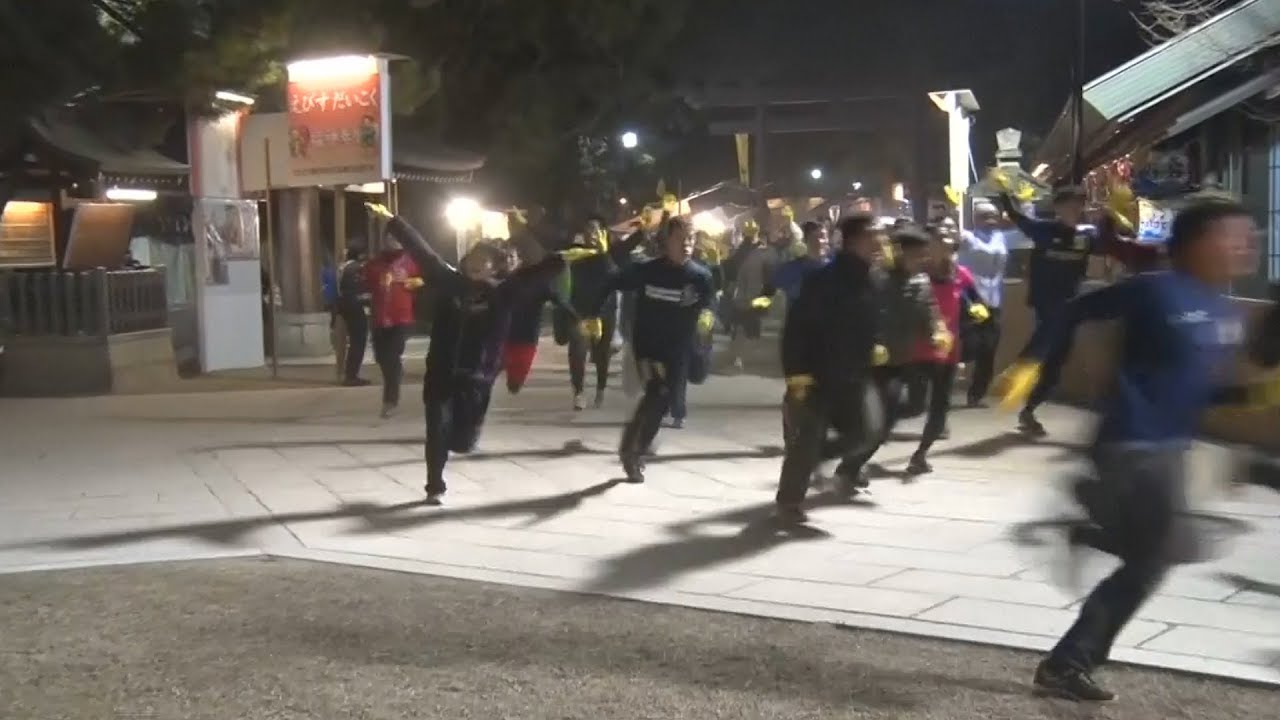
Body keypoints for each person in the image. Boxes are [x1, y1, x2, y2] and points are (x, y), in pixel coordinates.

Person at [999, 196, 1279, 702]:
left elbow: (1195, 390)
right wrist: (1031, 362)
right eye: (1234, 236)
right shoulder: (1153, 290)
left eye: (1250, 237)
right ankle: (1068, 661)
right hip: (1131, 442)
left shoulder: (1225, 312)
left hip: (1171, 448)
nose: (1247, 245)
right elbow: (1072, 311)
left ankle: (1094, 525)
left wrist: (1252, 395)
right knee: (1155, 557)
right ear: (1195, 243)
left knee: (1166, 550)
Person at [367, 203, 568, 504]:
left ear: (495, 267)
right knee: (437, 429)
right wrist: (394, 221)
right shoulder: (448, 282)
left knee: (461, 441)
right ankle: (434, 485)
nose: (477, 263)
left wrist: (527, 234)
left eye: (484, 260)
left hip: (476, 380)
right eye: (473, 257)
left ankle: (463, 439)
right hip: (441, 373)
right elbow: (422, 251)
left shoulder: (505, 293)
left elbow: (547, 267)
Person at [997, 183, 1160, 436]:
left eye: (1079, 205)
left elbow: (1112, 244)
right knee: (1052, 326)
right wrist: (1003, 192)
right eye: (1070, 205)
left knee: (1056, 363)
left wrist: (1113, 218)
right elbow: (1018, 217)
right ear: (1058, 208)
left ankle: (1029, 409)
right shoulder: (1044, 230)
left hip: (1071, 305)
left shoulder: (1086, 237)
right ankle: (1020, 366)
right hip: (1047, 302)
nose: (1075, 209)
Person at [774, 213, 886, 523]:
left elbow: (873, 320)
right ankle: (789, 502)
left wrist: (877, 344)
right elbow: (796, 328)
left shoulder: (873, 280)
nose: (880, 242)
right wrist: (796, 373)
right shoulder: (823, 280)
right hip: (817, 374)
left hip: (854, 375)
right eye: (873, 235)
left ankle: (816, 457)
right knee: (807, 438)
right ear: (852, 241)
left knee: (865, 432)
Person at [588, 216, 715, 482]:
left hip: (678, 349)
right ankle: (632, 452)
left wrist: (706, 316)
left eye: (690, 239)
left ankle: (638, 447)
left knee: (665, 402)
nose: (686, 244)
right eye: (680, 239)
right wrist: (594, 316)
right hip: (649, 347)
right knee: (657, 392)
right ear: (666, 241)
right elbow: (610, 281)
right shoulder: (647, 271)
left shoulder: (700, 276)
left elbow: (709, 302)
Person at [832, 226, 950, 491]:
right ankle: (848, 468)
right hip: (870, 364)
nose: (922, 260)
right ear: (899, 252)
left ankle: (850, 459)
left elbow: (930, 316)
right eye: (916, 255)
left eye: (923, 254)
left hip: (901, 361)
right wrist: (869, 341)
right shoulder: (876, 279)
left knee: (906, 411)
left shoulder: (921, 283)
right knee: (879, 425)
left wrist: (937, 334)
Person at [906, 229, 986, 475]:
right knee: (914, 405)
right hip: (918, 350)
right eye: (940, 240)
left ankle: (920, 455)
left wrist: (977, 310)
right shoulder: (917, 275)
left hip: (948, 350)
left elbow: (976, 301)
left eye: (949, 240)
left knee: (940, 408)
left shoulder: (961, 274)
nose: (947, 244)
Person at [558, 217, 645, 410]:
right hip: (580, 312)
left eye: (595, 230)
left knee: (602, 354)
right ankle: (579, 392)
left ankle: (601, 388)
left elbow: (613, 273)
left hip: (605, 311)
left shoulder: (613, 252)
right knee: (577, 352)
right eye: (588, 229)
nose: (591, 234)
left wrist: (604, 253)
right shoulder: (576, 252)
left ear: (604, 233)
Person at [499, 243, 576, 394]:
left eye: (511, 257)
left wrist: (575, 317)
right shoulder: (495, 281)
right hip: (500, 336)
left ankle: (513, 381)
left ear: (519, 260)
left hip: (526, 337)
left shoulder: (536, 281)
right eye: (504, 257)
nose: (508, 260)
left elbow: (558, 300)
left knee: (515, 382)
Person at [365, 229, 424, 417]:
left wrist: (412, 281)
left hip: (402, 318)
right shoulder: (374, 264)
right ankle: (395, 375)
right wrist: (378, 282)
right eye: (389, 238)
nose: (392, 241)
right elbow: (366, 283)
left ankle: (390, 400)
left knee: (391, 356)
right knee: (383, 359)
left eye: (396, 238)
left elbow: (425, 280)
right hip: (380, 318)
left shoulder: (411, 261)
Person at [956, 202, 1009, 406]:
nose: (990, 220)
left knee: (989, 350)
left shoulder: (1001, 238)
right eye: (985, 216)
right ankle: (941, 375)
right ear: (975, 219)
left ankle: (976, 394)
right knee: (970, 346)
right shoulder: (967, 238)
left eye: (994, 216)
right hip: (970, 299)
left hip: (994, 300)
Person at [723, 219, 775, 371]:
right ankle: (740, 357)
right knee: (745, 326)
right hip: (750, 296)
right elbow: (770, 274)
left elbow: (728, 271)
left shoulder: (741, 251)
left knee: (745, 328)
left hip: (746, 296)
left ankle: (740, 355)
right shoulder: (761, 252)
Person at [335, 245, 371, 386]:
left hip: (344, 305)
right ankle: (351, 375)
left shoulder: (343, 267)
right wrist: (367, 297)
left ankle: (350, 374)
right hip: (354, 306)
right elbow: (358, 289)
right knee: (358, 340)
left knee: (355, 340)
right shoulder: (355, 268)